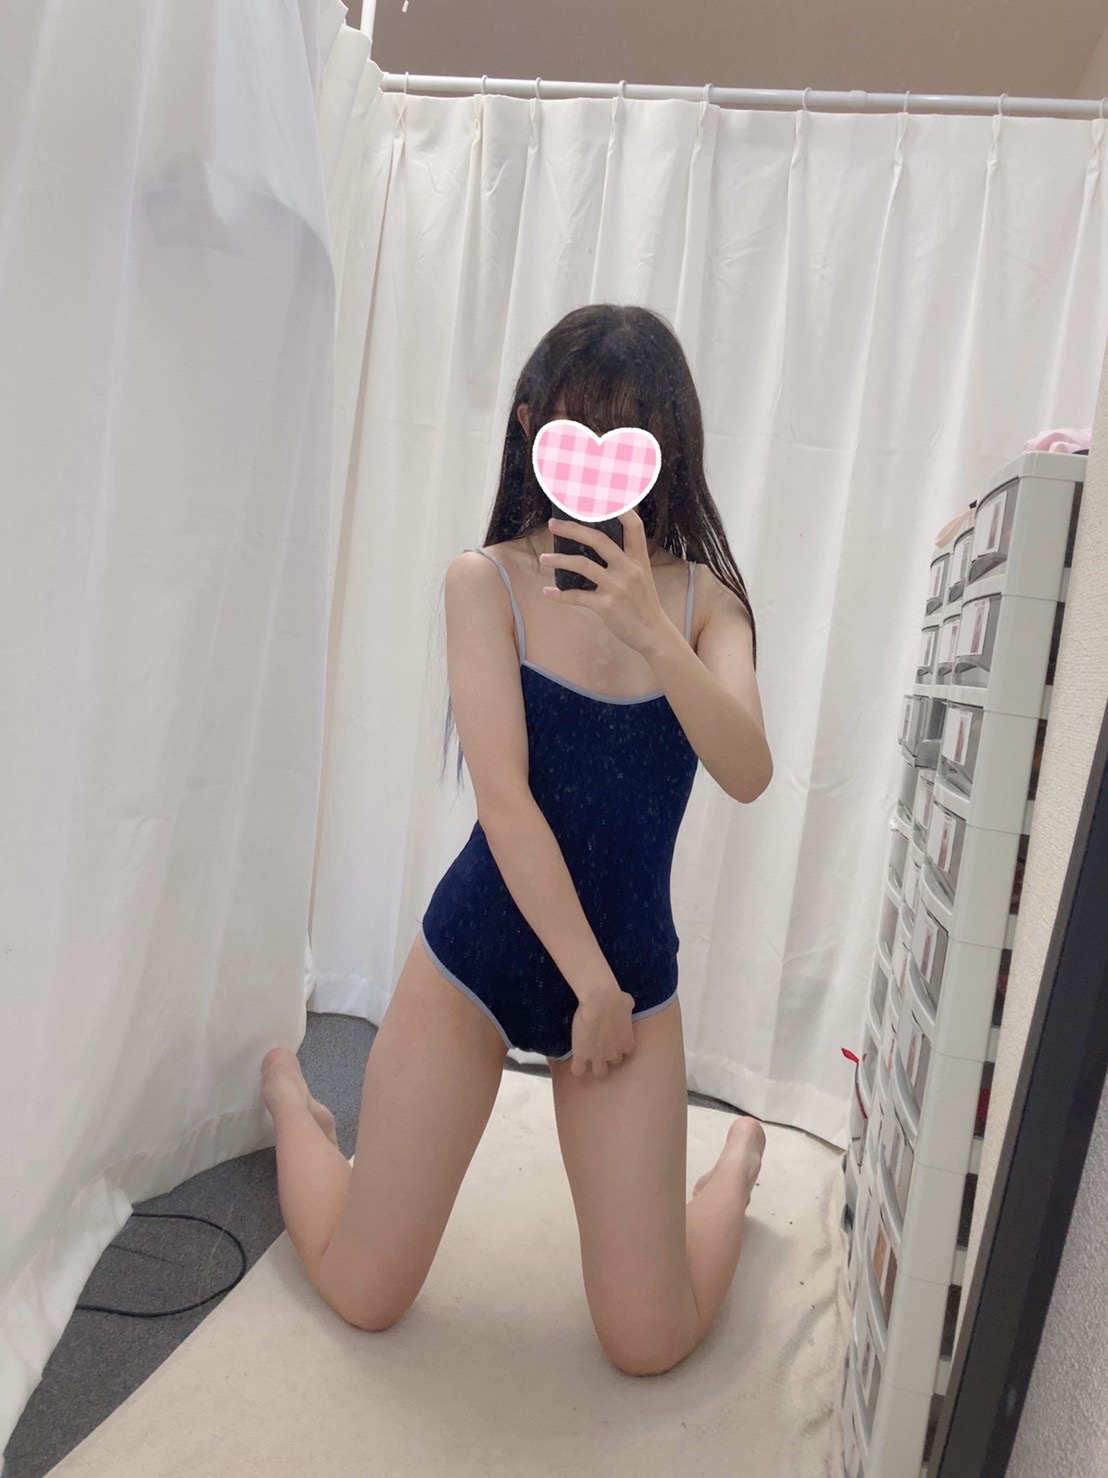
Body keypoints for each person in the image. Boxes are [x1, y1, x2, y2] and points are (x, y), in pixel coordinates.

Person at [261, 303, 773, 1377]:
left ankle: (733, 1166)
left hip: (629, 981)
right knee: (363, 1292)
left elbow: (747, 769)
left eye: (629, 434)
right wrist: (588, 986)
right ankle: (291, 1101)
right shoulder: (482, 580)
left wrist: (652, 633)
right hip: (483, 960)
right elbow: (503, 800)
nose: (600, 462)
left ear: (667, 448)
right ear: (533, 427)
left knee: (648, 1341)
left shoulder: (704, 604)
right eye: (578, 429)